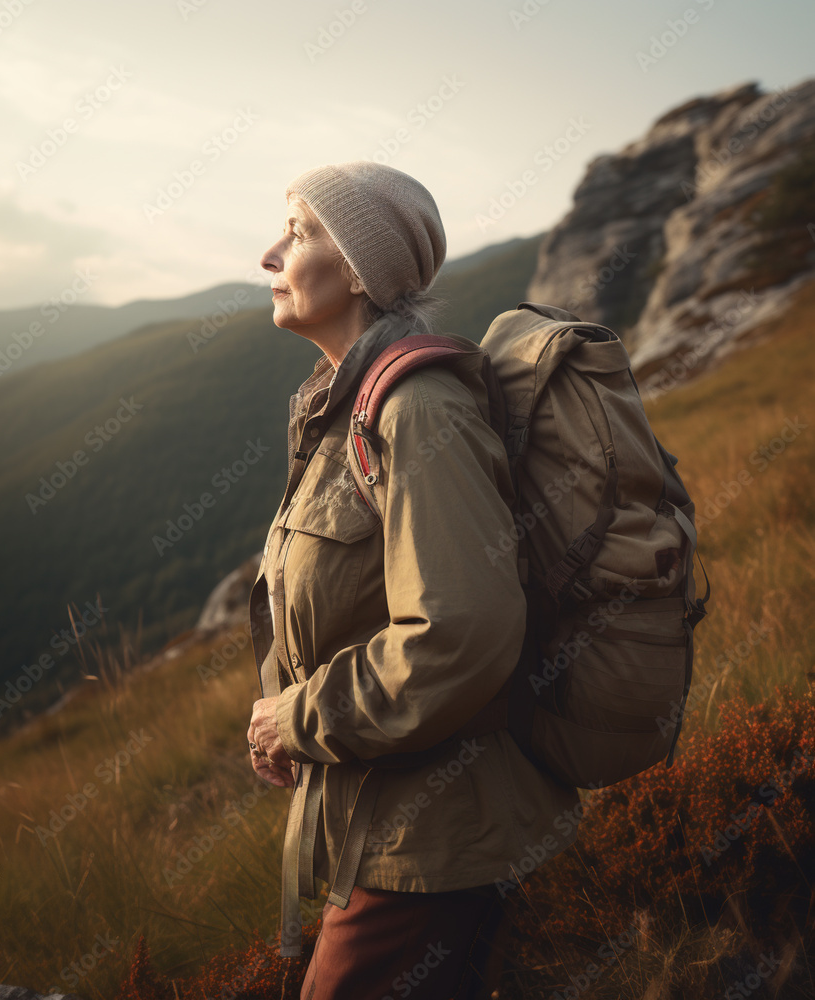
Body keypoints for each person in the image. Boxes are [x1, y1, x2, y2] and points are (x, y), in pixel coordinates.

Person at [246, 161, 580, 1000]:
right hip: (379, 827)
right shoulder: (344, 408)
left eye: (298, 231)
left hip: (431, 845)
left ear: (360, 266)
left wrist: (299, 719)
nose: (268, 253)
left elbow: (459, 632)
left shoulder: (417, 409)